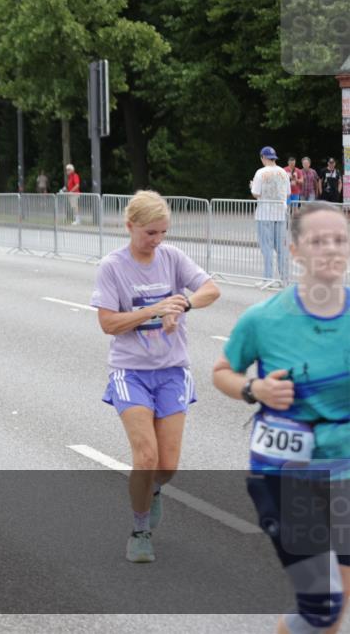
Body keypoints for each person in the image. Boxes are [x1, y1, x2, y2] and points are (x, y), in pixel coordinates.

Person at [212, 201, 349, 634]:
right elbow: (221, 373)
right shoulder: (264, 319)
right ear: (294, 250)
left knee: (338, 608)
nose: (331, 249)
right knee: (322, 607)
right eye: (318, 241)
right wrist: (256, 389)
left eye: (340, 240)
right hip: (285, 475)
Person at [90, 190, 221, 563]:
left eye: (163, 232)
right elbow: (108, 323)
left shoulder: (172, 257)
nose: (158, 240)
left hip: (172, 372)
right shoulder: (112, 266)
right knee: (145, 457)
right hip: (130, 372)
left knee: (167, 466)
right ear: (130, 226)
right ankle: (139, 528)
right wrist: (153, 309)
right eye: (150, 233)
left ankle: (155, 491)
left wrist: (182, 304)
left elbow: (212, 289)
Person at [251, 146, 291, 282]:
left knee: (266, 248)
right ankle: (284, 278)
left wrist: (251, 186)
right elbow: (288, 193)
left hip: (264, 214)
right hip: (280, 214)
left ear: (263, 157)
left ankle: (268, 279)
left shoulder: (260, 172)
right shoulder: (283, 172)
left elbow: (256, 193)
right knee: (281, 248)